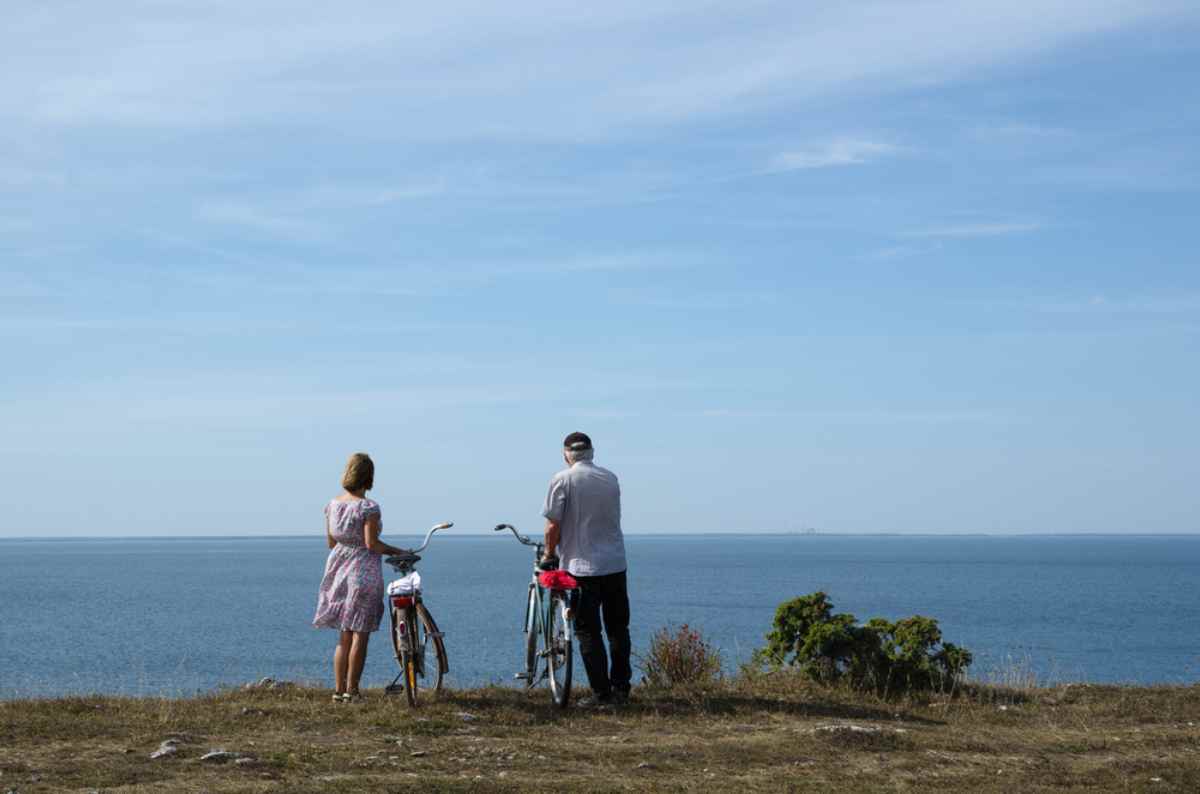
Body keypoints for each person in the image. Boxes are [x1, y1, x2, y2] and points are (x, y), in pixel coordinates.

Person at [542, 431, 631, 706]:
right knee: (618, 628)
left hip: (582, 568)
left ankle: (601, 693)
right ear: (592, 452)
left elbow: (553, 525)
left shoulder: (563, 479)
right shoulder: (610, 478)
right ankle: (621, 689)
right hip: (615, 563)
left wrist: (549, 553)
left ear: (566, 454)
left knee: (588, 631)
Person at [312, 452, 410, 702]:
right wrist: (398, 551)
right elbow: (371, 544)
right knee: (360, 633)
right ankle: (353, 691)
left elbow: (331, 542)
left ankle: (338, 691)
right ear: (369, 477)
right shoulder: (368, 507)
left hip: (337, 570)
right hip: (362, 570)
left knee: (344, 634)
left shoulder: (332, 505)